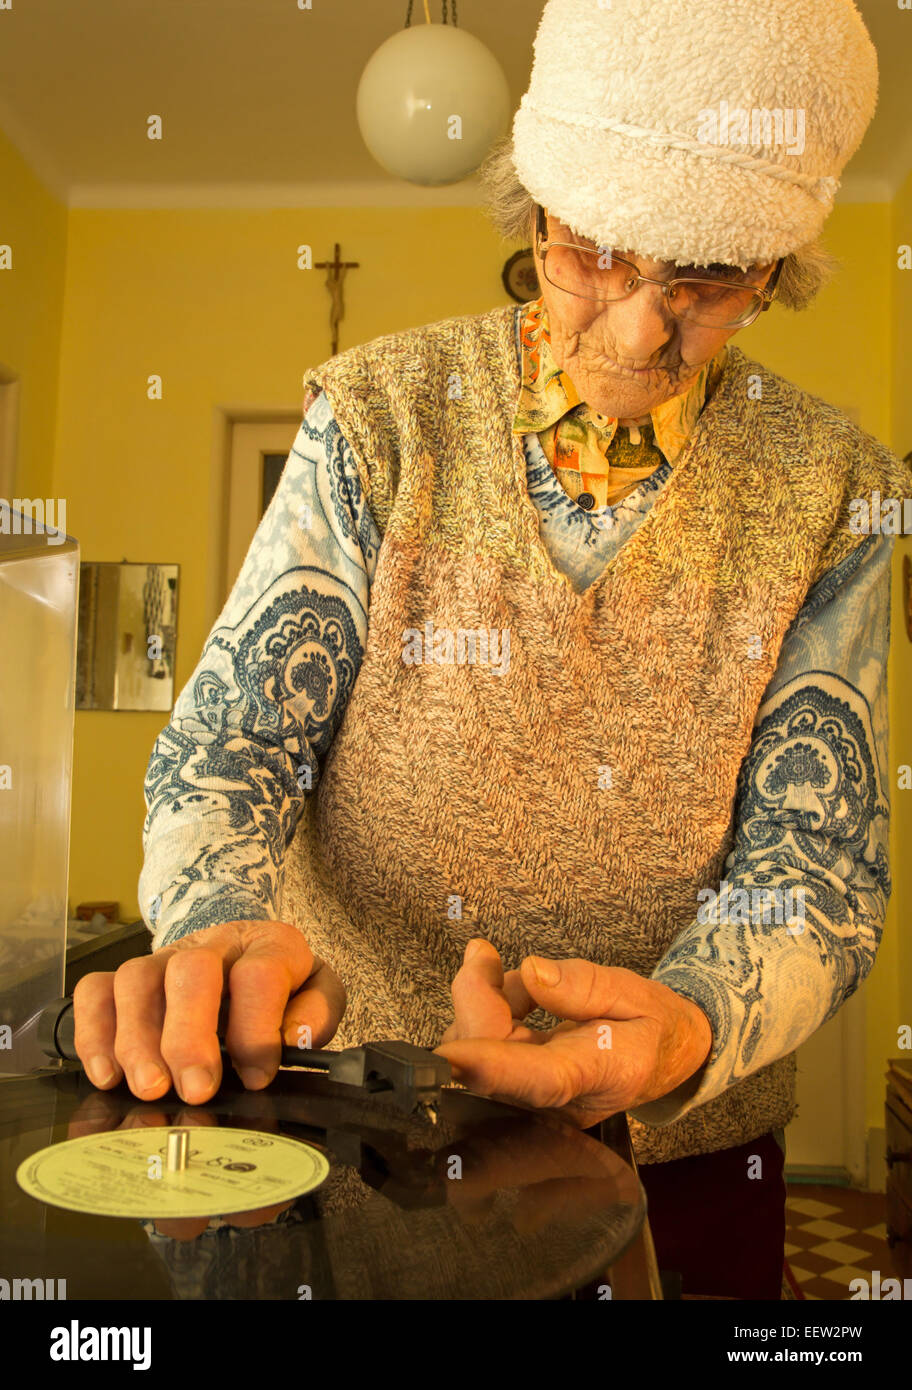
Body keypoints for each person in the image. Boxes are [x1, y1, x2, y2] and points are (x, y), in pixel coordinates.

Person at [73, 0, 911, 1298]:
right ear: (535, 208)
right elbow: (234, 744)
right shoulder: (380, 415)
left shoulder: (834, 490)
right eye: (596, 252)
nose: (639, 330)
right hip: (346, 1122)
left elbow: (816, 867)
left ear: (777, 266)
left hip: (680, 1150)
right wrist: (221, 921)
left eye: (704, 279)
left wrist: (690, 1023)